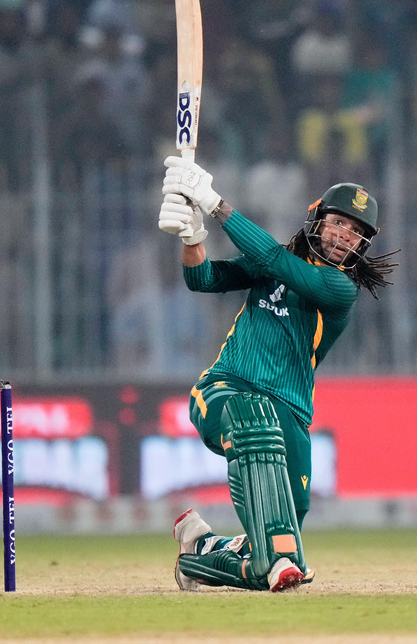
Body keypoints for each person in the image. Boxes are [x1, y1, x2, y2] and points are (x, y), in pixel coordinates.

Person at [158, 155, 397, 592]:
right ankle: (218, 555)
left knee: (277, 558)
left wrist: (214, 203)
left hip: (290, 417)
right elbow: (203, 279)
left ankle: (201, 551)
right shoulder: (277, 262)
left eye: (357, 232)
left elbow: (270, 256)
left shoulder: (339, 289)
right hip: (225, 390)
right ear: (317, 219)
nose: (346, 236)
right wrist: (192, 238)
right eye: (339, 223)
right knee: (254, 418)